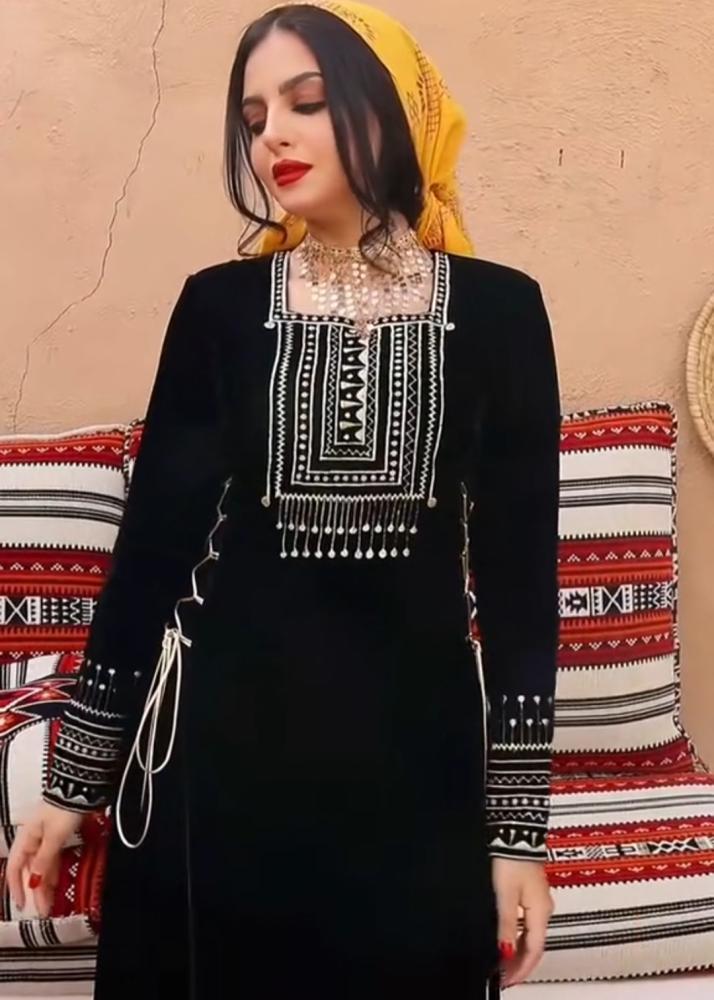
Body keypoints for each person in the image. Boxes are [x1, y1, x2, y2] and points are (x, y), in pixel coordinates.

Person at [7, 2, 561, 997]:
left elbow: (523, 592)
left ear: (392, 110)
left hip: (414, 778)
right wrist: (70, 786)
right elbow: (151, 556)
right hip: (222, 772)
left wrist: (518, 838)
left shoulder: (501, 312)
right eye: (256, 117)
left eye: (307, 102)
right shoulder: (220, 309)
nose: (273, 137)